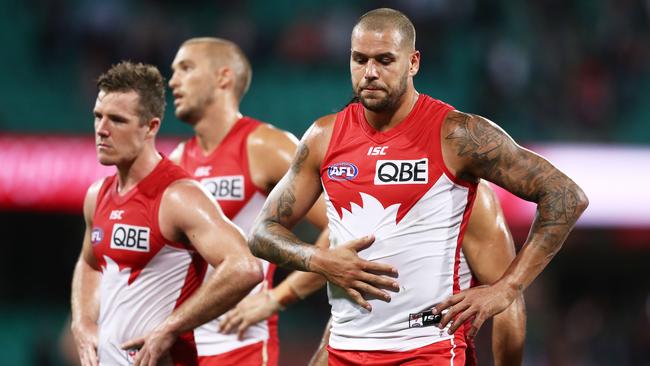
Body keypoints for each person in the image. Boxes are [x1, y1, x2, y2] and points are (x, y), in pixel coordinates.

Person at [249, 7, 588, 365]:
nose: (370, 73)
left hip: (430, 350)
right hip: (345, 350)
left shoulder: (458, 135)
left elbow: (565, 194)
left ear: (413, 63)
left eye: (384, 60)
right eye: (359, 59)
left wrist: (508, 287)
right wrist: (319, 260)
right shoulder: (323, 137)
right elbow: (262, 232)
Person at [70, 61, 263, 366]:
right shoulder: (97, 195)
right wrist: (82, 322)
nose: (102, 130)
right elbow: (90, 263)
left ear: (151, 127)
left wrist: (171, 327)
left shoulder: (179, 196)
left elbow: (245, 267)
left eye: (117, 120)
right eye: (98, 116)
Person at [167, 37, 329, 366]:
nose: (172, 81)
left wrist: (278, 297)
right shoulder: (176, 161)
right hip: (181, 349)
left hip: (240, 348)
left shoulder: (267, 147)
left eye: (186, 68)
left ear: (223, 77)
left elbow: (342, 228)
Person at [307, 181, 527, 366]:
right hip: (357, 348)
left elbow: (507, 302)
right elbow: (357, 308)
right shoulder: (365, 192)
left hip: (431, 346)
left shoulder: (469, 195)